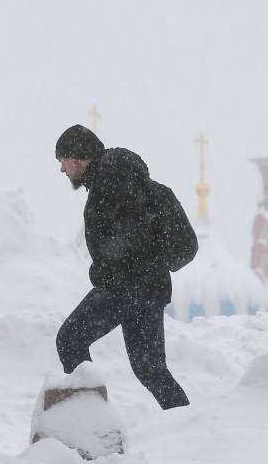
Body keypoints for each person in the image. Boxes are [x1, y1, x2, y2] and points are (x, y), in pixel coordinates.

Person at [54, 124, 196, 409]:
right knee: (151, 369)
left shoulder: (106, 189)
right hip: (152, 291)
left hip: (122, 289)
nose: (62, 170)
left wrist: (106, 272)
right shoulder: (146, 185)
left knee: (70, 339)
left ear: (78, 158)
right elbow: (178, 244)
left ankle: (89, 419)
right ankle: (190, 424)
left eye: (63, 161)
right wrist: (150, 265)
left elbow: (118, 245)